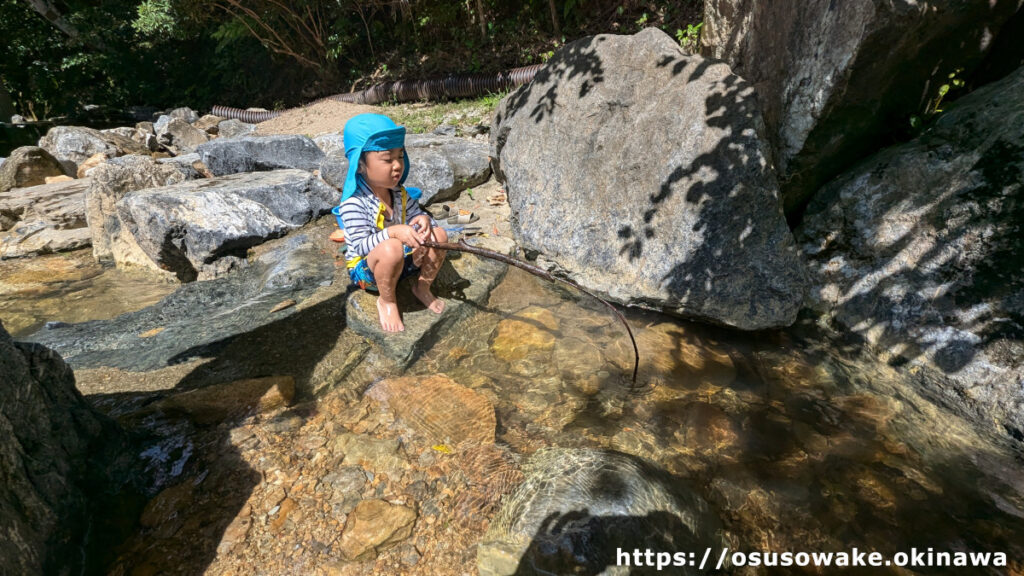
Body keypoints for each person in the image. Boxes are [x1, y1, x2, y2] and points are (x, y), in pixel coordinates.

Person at [338, 113, 448, 332]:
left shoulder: (400, 193)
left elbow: (419, 219)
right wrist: (394, 232)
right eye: (388, 159)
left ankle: (422, 286)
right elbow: (360, 246)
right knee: (390, 248)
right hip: (368, 271)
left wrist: (424, 221)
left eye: (400, 157)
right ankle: (387, 301)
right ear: (360, 164)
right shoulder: (354, 204)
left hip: (404, 260)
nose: (397, 165)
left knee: (440, 236)